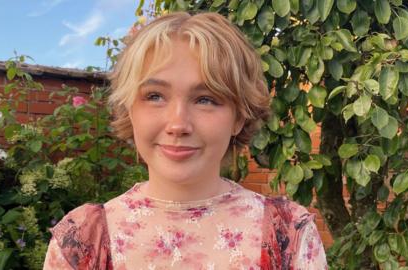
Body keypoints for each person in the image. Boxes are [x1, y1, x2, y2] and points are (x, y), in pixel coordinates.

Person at [43, 11, 327, 270]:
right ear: (129, 109)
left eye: (206, 99)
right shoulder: (81, 241)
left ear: (239, 117)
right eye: (154, 96)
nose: (178, 124)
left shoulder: (289, 235)